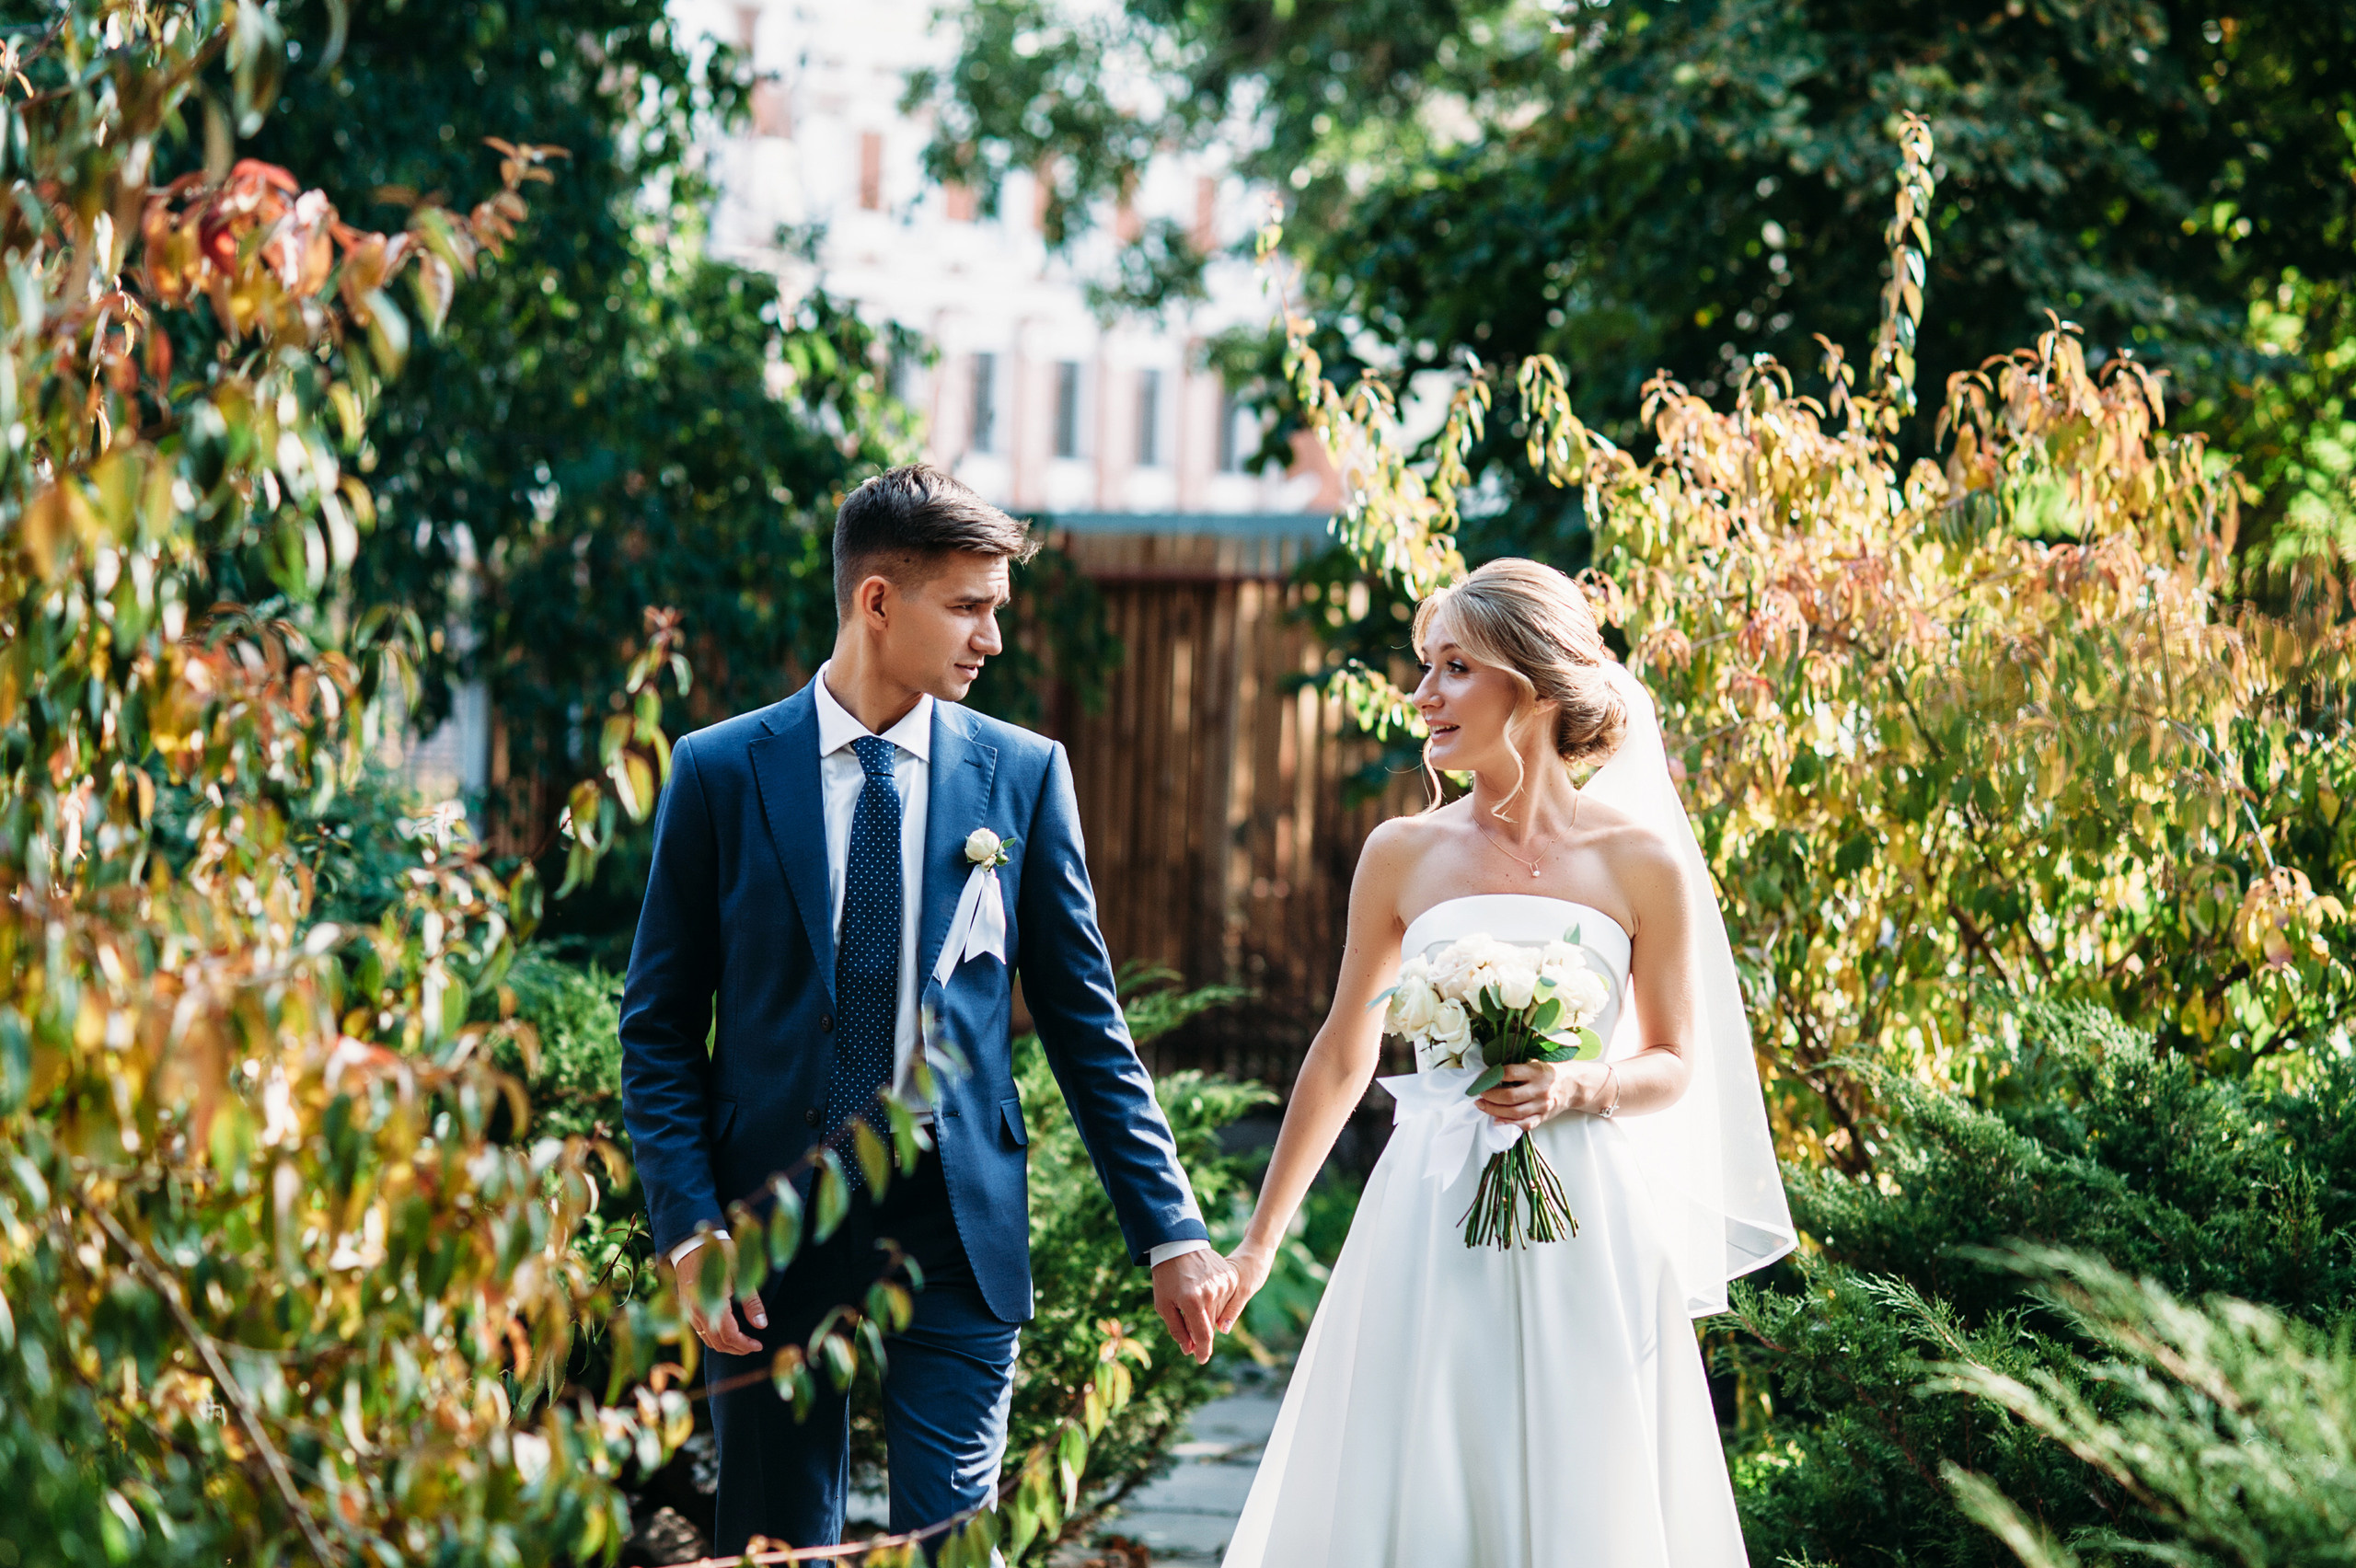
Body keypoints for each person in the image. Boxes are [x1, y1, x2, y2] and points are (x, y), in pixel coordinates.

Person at [619, 464, 1235, 1554]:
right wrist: (689, 1229)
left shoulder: (1025, 774)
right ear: (877, 602)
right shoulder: (717, 772)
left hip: (957, 1224)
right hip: (768, 1239)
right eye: (969, 606)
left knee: (957, 1541)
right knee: (775, 1543)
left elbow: (1087, 1026)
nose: (991, 638)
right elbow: (659, 1030)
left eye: (996, 608)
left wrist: (1172, 1230)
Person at [1214, 558, 1796, 1567]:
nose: (1420, 694)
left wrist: (1582, 1085)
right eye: (1423, 668)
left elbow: (1671, 1061)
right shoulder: (1401, 852)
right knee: (1425, 1468)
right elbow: (1345, 1050)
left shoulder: (1639, 862)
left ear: (1526, 685)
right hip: (1429, 1211)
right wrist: (1258, 1248)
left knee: (1586, 1484)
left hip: (1586, 1219)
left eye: (1450, 668)